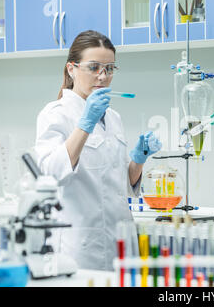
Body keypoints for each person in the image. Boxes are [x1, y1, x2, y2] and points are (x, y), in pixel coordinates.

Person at [35, 30, 162, 271]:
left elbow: (120, 186)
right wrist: (85, 124)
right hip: (81, 247)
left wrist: (138, 161)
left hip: (121, 240)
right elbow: (50, 174)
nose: (102, 77)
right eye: (94, 67)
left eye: (110, 68)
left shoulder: (113, 117)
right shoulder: (55, 114)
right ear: (72, 69)